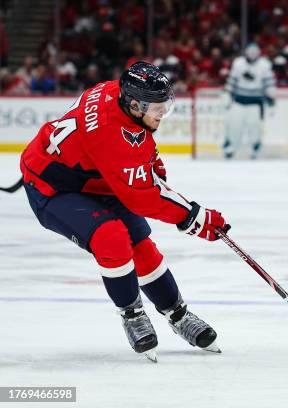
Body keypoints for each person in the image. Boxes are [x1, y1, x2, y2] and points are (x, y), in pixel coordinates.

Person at [20, 61, 229, 361]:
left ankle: (178, 314)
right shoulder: (110, 134)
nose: (162, 113)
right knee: (111, 237)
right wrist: (195, 218)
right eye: (157, 108)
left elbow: (137, 140)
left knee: (142, 247)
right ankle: (132, 315)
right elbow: (143, 198)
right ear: (134, 104)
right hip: (52, 187)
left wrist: (151, 160)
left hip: (97, 178)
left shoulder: (114, 94)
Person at [222, 43, 276, 159]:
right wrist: (227, 93)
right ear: (245, 52)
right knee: (234, 125)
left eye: (254, 52)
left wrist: (271, 97)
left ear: (259, 53)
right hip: (239, 100)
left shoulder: (264, 65)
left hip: (256, 103)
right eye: (250, 52)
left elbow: (269, 83)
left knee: (255, 127)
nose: (252, 55)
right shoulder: (238, 63)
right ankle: (230, 147)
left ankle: (255, 147)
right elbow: (232, 80)